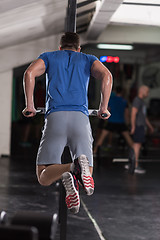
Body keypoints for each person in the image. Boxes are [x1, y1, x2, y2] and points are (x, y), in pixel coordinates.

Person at [22, 32, 113, 214]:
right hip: (81, 119)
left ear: (60, 47)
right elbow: (106, 75)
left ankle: (71, 168)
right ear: (79, 48)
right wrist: (104, 107)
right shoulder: (87, 59)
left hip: (56, 118)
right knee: (88, 171)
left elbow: (29, 73)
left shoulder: (49, 57)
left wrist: (30, 106)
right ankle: (76, 169)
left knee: (44, 176)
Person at [94, 86, 134, 155]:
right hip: (121, 122)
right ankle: (136, 152)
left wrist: (103, 119)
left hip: (111, 122)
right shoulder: (124, 101)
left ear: (115, 91)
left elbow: (107, 110)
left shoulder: (110, 100)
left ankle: (94, 151)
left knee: (101, 138)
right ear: (122, 92)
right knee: (129, 140)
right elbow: (127, 114)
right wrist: (128, 124)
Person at [130, 85, 154, 174]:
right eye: (147, 91)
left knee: (136, 145)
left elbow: (144, 117)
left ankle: (132, 163)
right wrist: (133, 126)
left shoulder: (141, 102)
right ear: (142, 91)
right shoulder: (137, 100)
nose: (148, 94)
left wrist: (150, 126)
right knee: (137, 145)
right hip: (138, 126)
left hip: (141, 126)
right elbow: (133, 114)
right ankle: (135, 165)